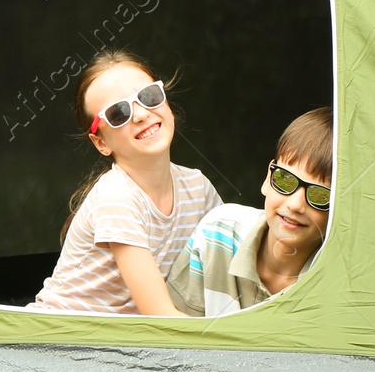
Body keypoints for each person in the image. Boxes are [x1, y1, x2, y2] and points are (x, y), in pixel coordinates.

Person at [30, 50, 220, 315]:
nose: (141, 114)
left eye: (149, 96)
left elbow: (233, 262)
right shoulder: (116, 198)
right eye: (118, 113)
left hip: (126, 342)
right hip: (55, 337)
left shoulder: (197, 188)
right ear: (101, 142)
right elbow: (161, 317)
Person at [167, 107, 333, 317]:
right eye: (285, 180)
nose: (295, 205)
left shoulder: (338, 282)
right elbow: (172, 336)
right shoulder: (217, 234)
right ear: (268, 178)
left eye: (320, 195)